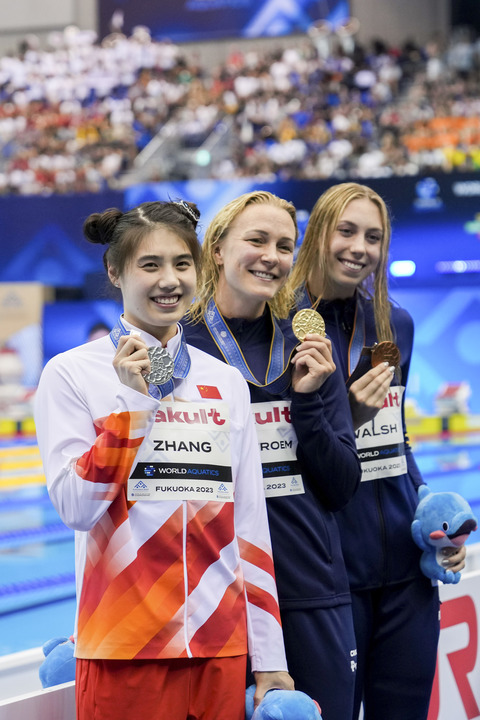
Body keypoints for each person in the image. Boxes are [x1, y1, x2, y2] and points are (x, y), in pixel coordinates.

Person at [34, 200, 293, 720]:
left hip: (219, 647)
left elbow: (250, 523)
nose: (169, 280)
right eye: (149, 265)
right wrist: (132, 407)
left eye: (181, 264)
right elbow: (76, 509)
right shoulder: (71, 374)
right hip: (123, 647)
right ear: (115, 271)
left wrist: (270, 659)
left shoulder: (225, 381)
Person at [287, 182, 467, 720]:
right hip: (329, 575)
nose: (359, 247)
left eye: (373, 236)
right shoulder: (280, 327)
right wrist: (346, 412)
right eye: (346, 231)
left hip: (406, 574)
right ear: (317, 233)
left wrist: (430, 516)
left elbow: (397, 436)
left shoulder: (395, 324)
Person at [183, 191, 362, 720]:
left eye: (285, 246)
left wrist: (307, 402)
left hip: (310, 588)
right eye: (257, 240)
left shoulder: (309, 348)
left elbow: (341, 487)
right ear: (217, 249)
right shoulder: (180, 350)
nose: (272, 256)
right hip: (214, 598)